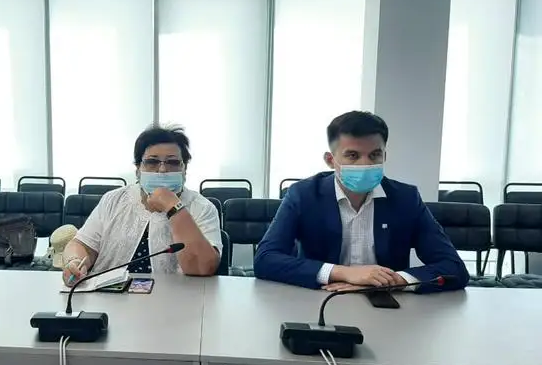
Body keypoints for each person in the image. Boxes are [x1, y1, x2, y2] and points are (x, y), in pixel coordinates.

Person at [254, 111, 469, 293]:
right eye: (352, 155)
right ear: (330, 160)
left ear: (385, 156)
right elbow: (265, 259)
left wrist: (392, 280)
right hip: (320, 298)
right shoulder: (304, 195)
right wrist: (343, 273)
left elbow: (454, 267)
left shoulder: (406, 199)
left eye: (374, 155)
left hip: (387, 304)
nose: (365, 164)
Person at [61, 125, 221, 285]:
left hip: (176, 297)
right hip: (109, 294)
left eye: (172, 162)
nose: (162, 170)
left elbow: (202, 268)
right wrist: (74, 261)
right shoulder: (113, 199)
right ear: (138, 169)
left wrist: (174, 207)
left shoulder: (202, 207)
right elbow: (82, 244)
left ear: (184, 169)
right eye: (152, 162)